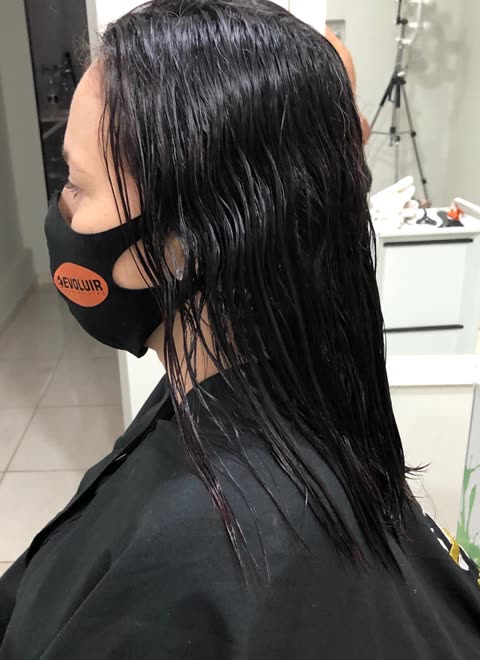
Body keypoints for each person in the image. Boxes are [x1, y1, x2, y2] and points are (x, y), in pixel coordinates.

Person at [1, 1, 479, 658]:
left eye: (77, 186)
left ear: (181, 247)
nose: (61, 210)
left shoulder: (199, 553)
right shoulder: (261, 397)